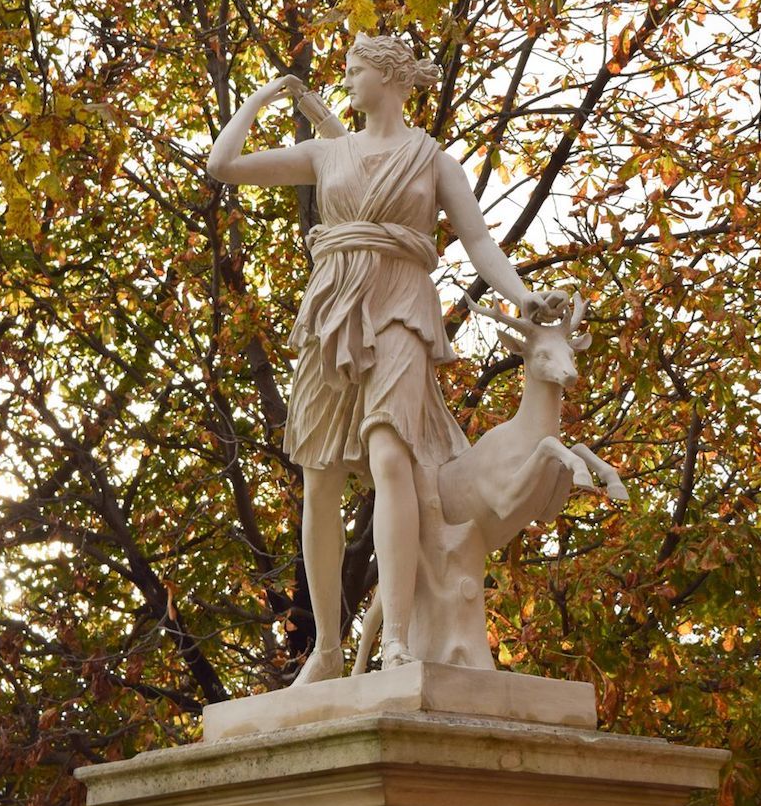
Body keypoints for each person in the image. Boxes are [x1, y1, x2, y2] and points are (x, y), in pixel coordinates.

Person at [206, 34, 570, 682]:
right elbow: (222, 164)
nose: (345, 81)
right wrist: (266, 94)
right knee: (318, 478)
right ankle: (324, 649)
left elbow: (481, 241)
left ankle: (398, 639)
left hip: (402, 302)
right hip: (332, 311)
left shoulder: (431, 160)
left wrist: (523, 298)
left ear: (389, 76)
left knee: (390, 453)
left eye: (355, 70)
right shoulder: (325, 152)